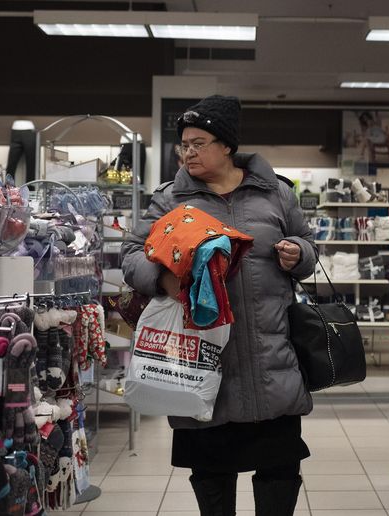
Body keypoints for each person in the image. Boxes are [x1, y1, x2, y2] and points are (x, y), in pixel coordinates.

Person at [121, 95, 317, 516]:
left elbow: (310, 248)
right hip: (202, 364)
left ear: (226, 145)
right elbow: (132, 254)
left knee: (279, 474)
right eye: (184, 144)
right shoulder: (171, 199)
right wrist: (163, 278)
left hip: (271, 364)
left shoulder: (276, 193)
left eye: (199, 142)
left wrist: (298, 253)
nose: (188, 152)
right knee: (212, 479)